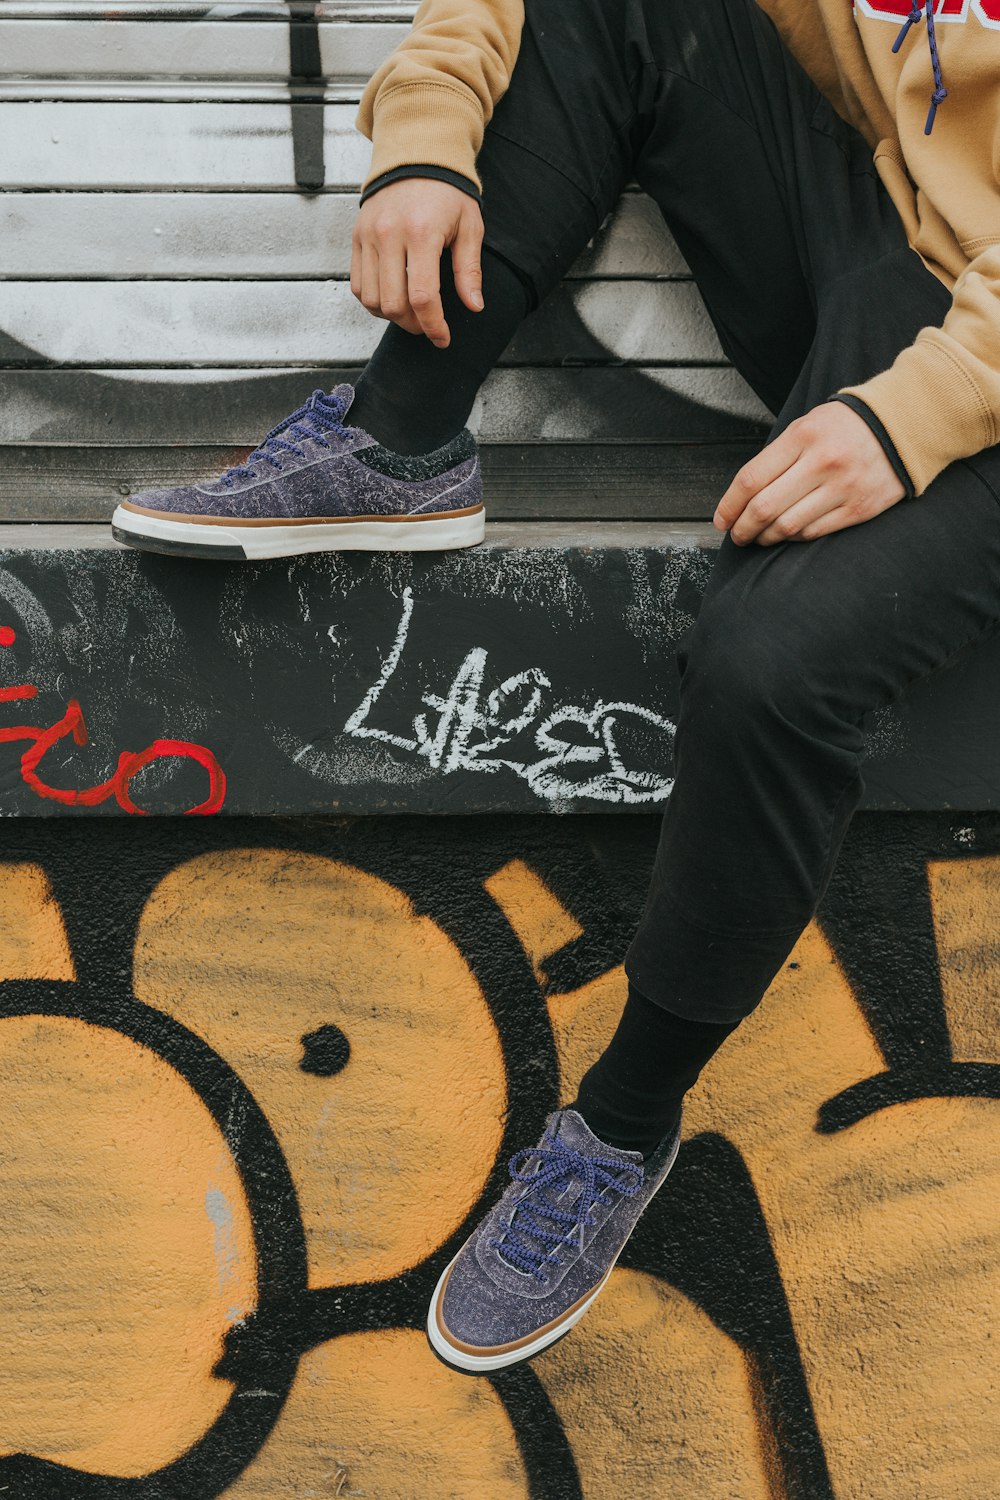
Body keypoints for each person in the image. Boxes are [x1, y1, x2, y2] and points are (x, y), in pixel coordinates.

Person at [112, 0, 1000, 1373]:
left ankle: (621, 1124)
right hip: (911, 268)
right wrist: (422, 144)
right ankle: (397, 446)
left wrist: (916, 412)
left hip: (977, 379)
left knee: (768, 667)